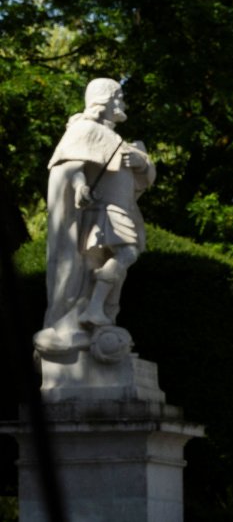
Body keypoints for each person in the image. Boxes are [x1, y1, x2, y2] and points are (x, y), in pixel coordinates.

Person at [36, 78, 155, 354]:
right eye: (119, 97)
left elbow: (142, 179)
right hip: (103, 211)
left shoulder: (118, 139)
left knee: (99, 266)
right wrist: (78, 186)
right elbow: (69, 164)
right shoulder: (84, 129)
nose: (122, 103)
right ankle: (89, 311)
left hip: (118, 210)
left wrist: (142, 163)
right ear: (104, 100)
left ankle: (91, 315)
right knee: (126, 253)